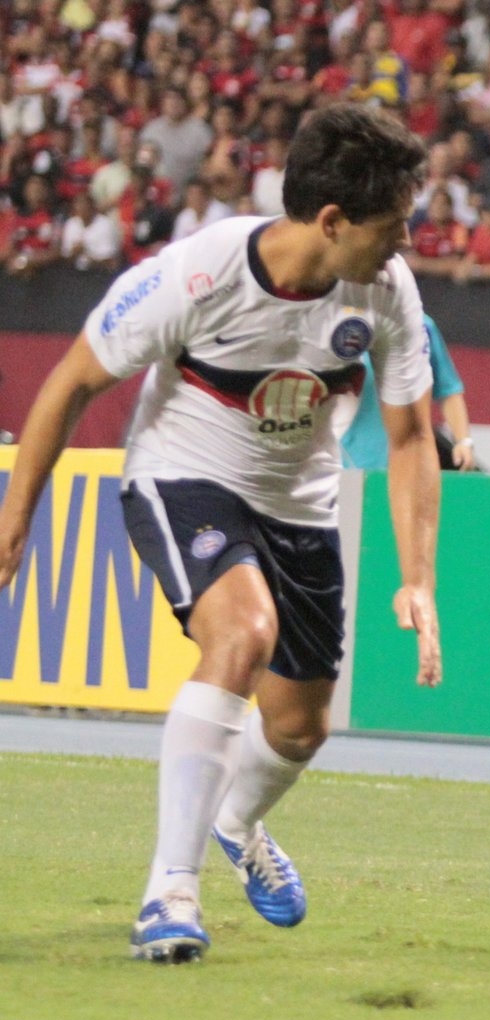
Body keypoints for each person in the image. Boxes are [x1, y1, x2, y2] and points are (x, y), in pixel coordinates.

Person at [0, 103, 442, 964]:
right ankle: (170, 889)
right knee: (242, 633)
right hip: (183, 474)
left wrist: (417, 575)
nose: (406, 243)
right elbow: (68, 384)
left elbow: (410, 436)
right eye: (392, 227)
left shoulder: (384, 288)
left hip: (301, 506)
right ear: (330, 221)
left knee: (300, 728)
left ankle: (236, 822)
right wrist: (14, 522)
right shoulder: (196, 275)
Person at [342, 313, 477, 473]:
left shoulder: (420, 326)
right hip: (341, 463)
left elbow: (448, 390)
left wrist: (463, 441)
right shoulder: (336, 322)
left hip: (408, 465)